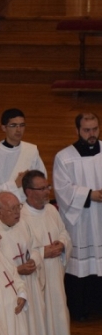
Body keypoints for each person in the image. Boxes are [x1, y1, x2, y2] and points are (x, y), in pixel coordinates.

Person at [0, 191, 49, 335]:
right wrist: (18, 270)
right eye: (12, 209)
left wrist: (34, 261)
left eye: (18, 207)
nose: (18, 212)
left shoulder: (22, 223)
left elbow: (36, 248)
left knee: (33, 328)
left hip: (29, 284)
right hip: (11, 289)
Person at [22, 170, 73, 335]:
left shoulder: (51, 210)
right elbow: (21, 251)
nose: (46, 192)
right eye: (41, 188)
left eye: (47, 187)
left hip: (55, 275)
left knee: (58, 315)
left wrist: (61, 243)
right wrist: (43, 252)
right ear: (28, 191)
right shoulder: (22, 216)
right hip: (38, 279)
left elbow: (63, 232)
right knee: (41, 320)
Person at [53, 112, 102, 321]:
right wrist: (90, 194)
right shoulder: (65, 157)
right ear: (77, 130)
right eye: (86, 130)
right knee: (80, 265)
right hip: (81, 220)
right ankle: (79, 310)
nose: (91, 134)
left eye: (95, 129)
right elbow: (62, 189)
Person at [0, 108, 47, 207]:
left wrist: (29, 181)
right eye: (13, 125)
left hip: (29, 206)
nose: (18, 130)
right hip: (5, 209)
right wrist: (14, 184)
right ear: (4, 128)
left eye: (22, 125)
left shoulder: (31, 150)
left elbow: (42, 180)